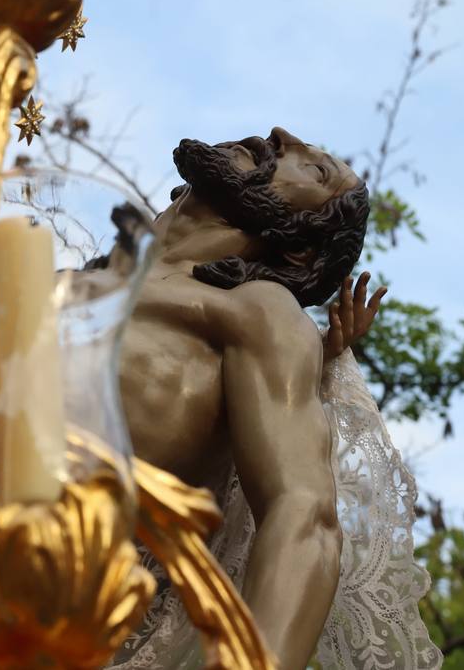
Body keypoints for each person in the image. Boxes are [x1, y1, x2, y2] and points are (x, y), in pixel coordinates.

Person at [116, 129, 440, 669]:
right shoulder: (52, 286)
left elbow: (303, 518)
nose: (278, 134)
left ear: (297, 248)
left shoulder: (255, 316)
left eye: (316, 170)